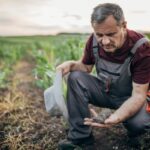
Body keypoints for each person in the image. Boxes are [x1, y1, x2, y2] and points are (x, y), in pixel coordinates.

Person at [56, 3, 150, 150]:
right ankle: (81, 138)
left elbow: (139, 95)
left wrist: (117, 117)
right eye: (99, 35)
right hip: (106, 92)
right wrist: (71, 65)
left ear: (123, 25)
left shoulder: (141, 48)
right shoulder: (93, 41)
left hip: (131, 97)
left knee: (139, 124)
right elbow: (85, 68)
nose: (104, 42)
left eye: (111, 34)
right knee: (75, 77)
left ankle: (135, 135)